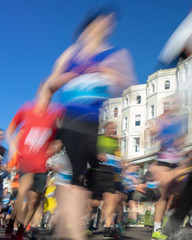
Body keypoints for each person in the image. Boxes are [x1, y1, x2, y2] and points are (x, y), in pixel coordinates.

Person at [36, 8, 135, 240]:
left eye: (111, 24)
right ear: (90, 25)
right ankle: (72, 232)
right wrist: (67, 78)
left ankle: (66, 228)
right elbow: (50, 85)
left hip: (93, 124)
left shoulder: (114, 54)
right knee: (73, 178)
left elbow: (127, 82)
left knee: (80, 182)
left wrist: (106, 72)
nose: (109, 26)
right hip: (69, 120)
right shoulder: (71, 53)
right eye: (104, 21)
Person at [6, 99, 63, 239]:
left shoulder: (51, 130)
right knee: (22, 198)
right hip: (24, 167)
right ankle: (13, 221)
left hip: (41, 167)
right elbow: (14, 145)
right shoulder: (25, 129)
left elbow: (57, 144)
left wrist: (51, 157)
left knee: (34, 200)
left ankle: (21, 228)